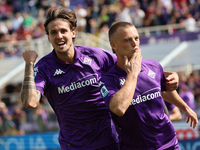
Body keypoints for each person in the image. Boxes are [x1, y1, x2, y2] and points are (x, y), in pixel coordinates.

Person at [20, 7, 180, 149]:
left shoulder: (96, 55)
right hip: (75, 145)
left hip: (111, 139)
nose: (59, 36)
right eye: (53, 32)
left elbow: (129, 64)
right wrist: (29, 64)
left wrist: (167, 74)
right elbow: (30, 102)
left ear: (73, 33)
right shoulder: (44, 67)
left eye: (63, 31)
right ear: (48, 37)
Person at [99, 21, 198, 150]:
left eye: (136, 38)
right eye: (127, 40)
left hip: (168, 143)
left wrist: (184, 107)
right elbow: (119, 108)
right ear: (114, 45)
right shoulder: (108, 80)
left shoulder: (154, 66)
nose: (134, 43)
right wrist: (132, 74)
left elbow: (163, 90)